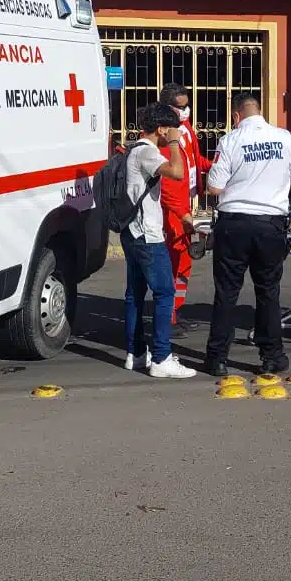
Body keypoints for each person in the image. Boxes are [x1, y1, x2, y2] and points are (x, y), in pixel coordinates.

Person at [202, 94, 291, 377]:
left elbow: (214, 188)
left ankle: (217, 358)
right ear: (259, 111)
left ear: (236, 116)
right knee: (268, 292)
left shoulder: (231, 140)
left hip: (234, 224)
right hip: (271, 224)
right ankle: (271, 357)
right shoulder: (284, 138)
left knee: (226, 293)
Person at [121, 104, 197, 378]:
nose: (173, 135)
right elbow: (176, 172)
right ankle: (162, 357)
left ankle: (136, 353)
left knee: (135, 294)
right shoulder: (148, 152)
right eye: (171, 130)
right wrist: (175, 144)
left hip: (131, 232)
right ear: (162, 129)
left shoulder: (132, 150)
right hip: (148, 235)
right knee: (165, 293)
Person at [158, 83, 211, 327]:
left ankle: (176, 311)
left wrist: (216, 165)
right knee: (172, 263)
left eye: (187, 105)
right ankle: (168, 317)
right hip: (173, 210)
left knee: (185, 261)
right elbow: (167, 186)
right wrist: (182, 215)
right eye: (181, 107)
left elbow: (194, 160)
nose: (185, 110)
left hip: (188, 204)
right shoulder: (165, 137)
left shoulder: (186, 129)